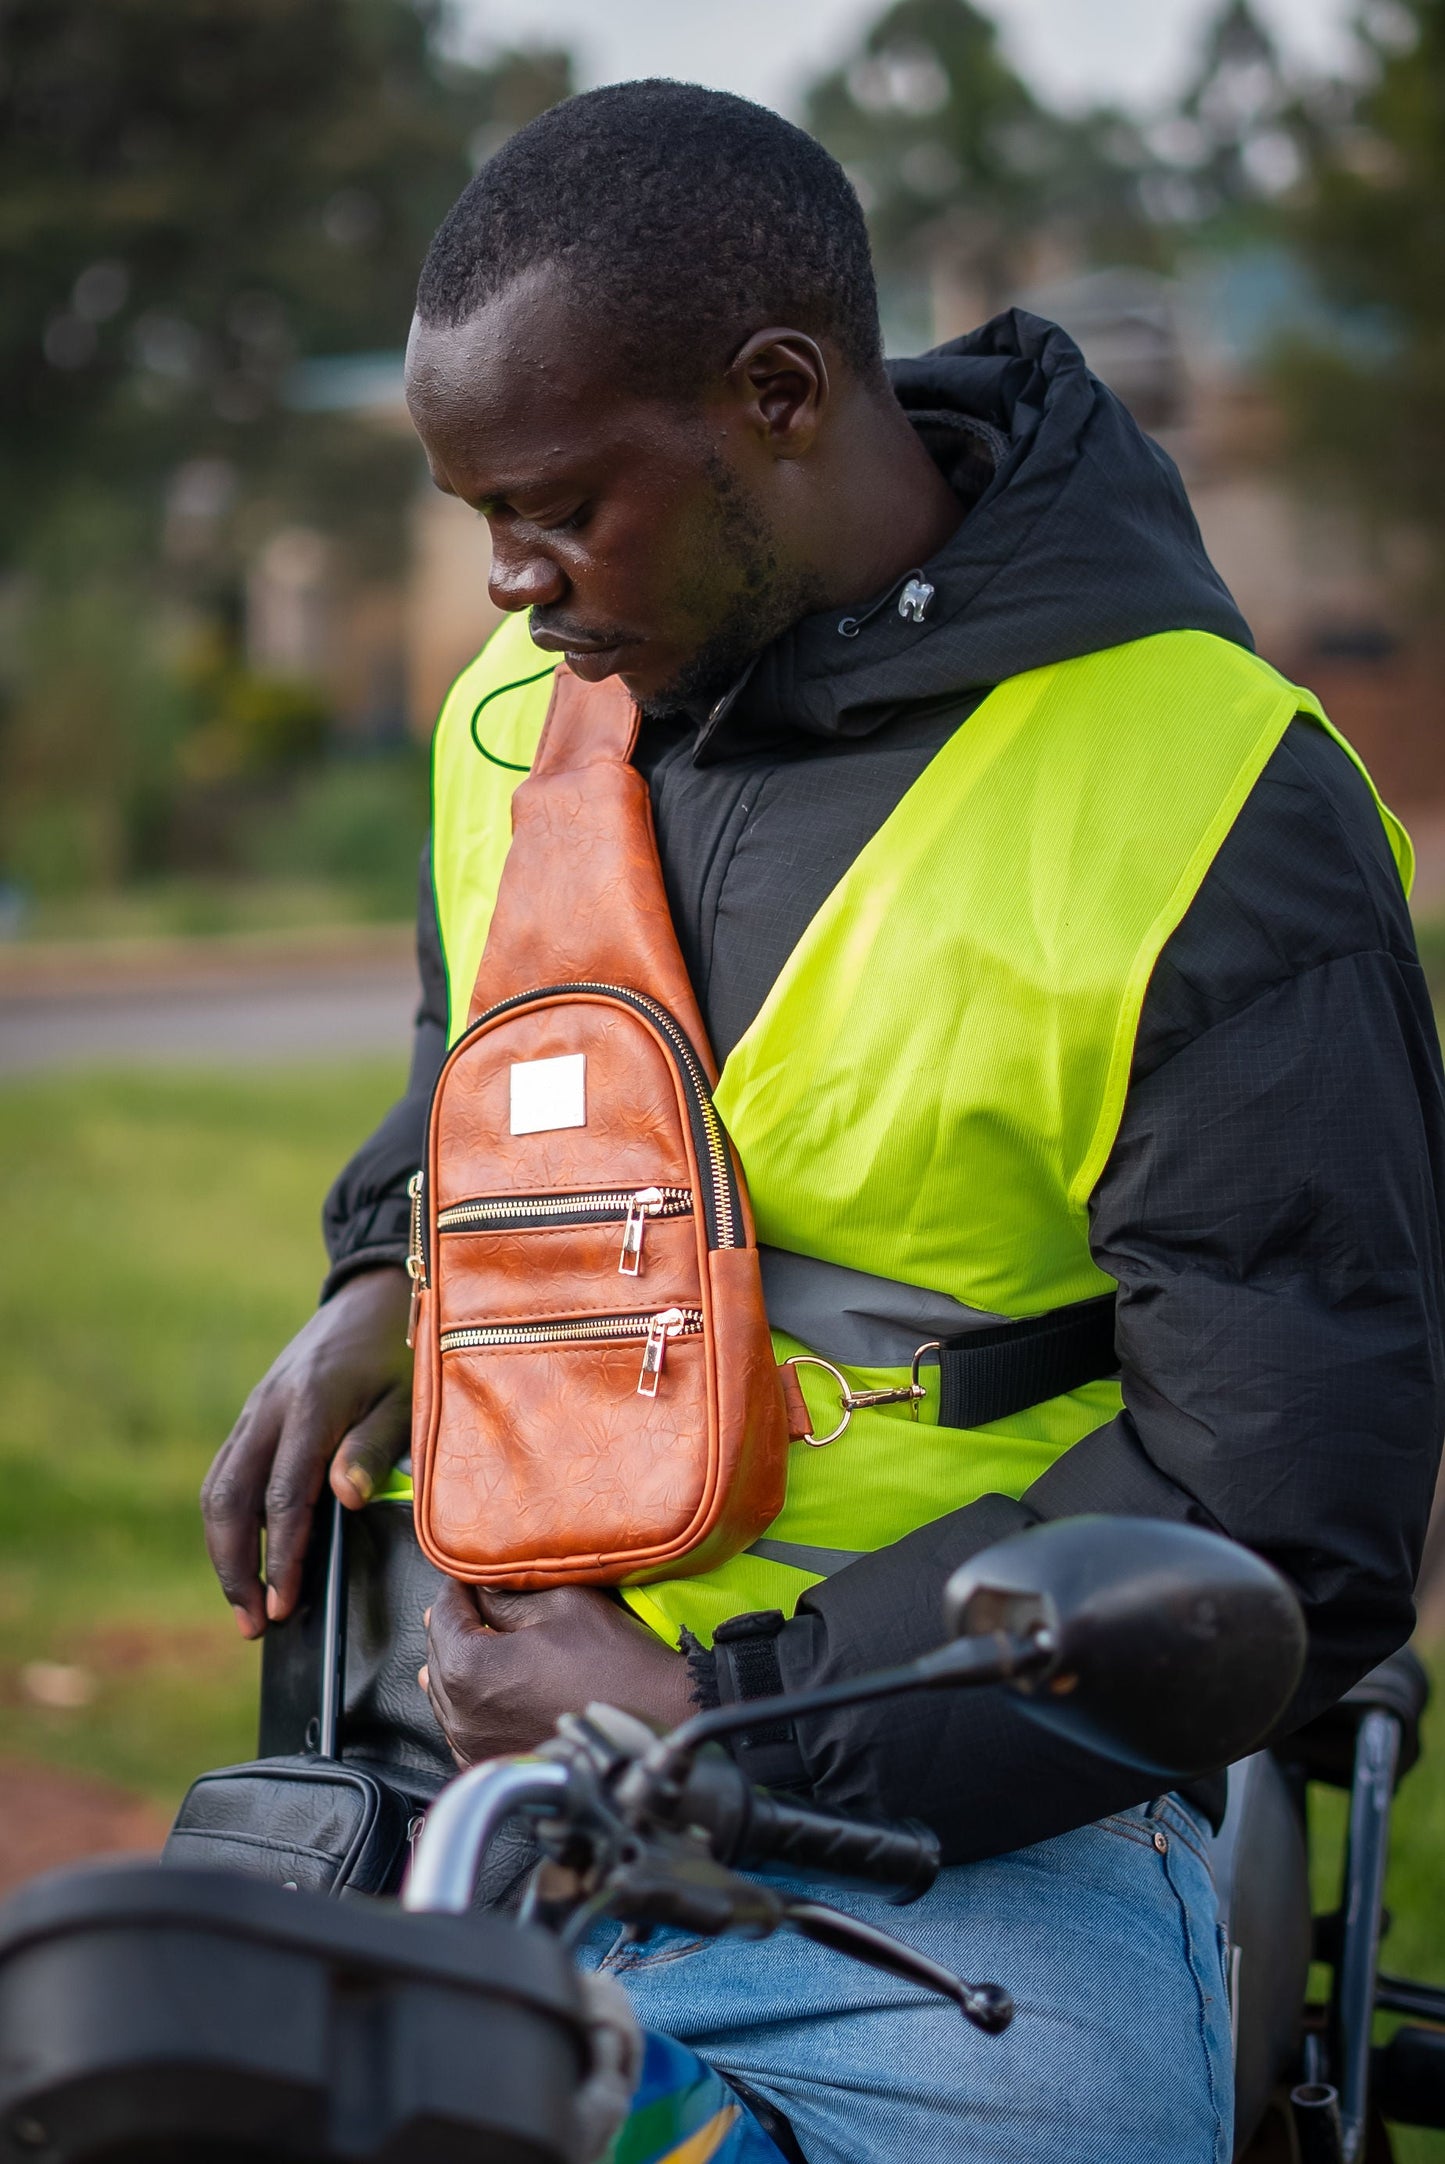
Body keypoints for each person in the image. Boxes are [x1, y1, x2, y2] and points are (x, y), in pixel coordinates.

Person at [200, 81, 1445, 2164]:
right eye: (475, 514)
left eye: (560, 503)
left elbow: (1274, 1505)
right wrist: (376, 1266)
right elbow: (473, 1075)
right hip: (466, 1755)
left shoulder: (1219, 804)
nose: (507, 580)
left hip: (971, 1823)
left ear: (779, 394)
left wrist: (719, 1713)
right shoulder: (516, 718)